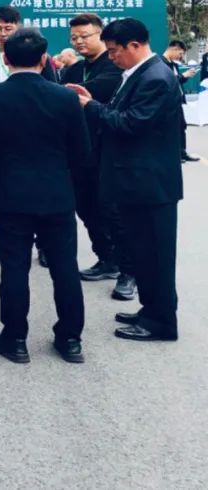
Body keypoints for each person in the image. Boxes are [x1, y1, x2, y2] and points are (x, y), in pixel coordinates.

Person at [0, 28, 90, 364]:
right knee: (65, 267)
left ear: (6, 59)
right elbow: (82, 152)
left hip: (11, 194)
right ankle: (70, 340)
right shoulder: (65, 98)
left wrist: (3, 157)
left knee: (14, 267)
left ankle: (15, 338)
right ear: (44, 59)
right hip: (56, 193)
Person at [67, 18, 184, 342]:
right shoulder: (139, 73)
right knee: (143, 253)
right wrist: (93, 102)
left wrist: (90, 107)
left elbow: (130, 124)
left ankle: (162, 322)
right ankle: (150, 311)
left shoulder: (155, 77)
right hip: (137, 183)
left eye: (115, 50)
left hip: (151, 186)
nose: (112, 56)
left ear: (135, 45)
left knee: (156, 257)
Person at [0, 5, 57, 263]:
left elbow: (51, 86)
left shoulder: (38, 52)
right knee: (2, 190)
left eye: (8, 28)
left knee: (39, 189)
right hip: (1, 124)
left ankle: (44, 244)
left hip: (36, 127)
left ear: (18, 26)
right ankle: (4, 241)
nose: (3, 33)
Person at [62, 14, 134, 299]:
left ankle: (129, 272)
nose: (79, 41)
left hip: (109, 152)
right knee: (87, 209)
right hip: (80, 152)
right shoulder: (75, 69)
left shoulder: (115, 67)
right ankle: (106, 258)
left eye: (85, 36)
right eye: (74, 37)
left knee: (113, 213)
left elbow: (96, 91)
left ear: (100, 35)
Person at [163, 40, 199, 162]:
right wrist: (183, 76)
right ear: (174, 49)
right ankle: (174, 155)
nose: (181, 57)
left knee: (181, 126)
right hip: (168, 102)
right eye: (180, 53)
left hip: (177, 101)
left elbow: (176, 82)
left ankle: (182, 152)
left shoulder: (174, 64)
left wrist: (185, 77)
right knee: (171, 129)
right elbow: (167, 82)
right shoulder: (161, 64)